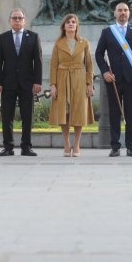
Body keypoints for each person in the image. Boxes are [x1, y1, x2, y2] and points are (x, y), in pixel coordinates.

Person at [95, 2, 132, 157]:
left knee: (130, 114)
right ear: (115, 13)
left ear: (129, 13)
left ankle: (131, 146)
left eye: (125, 10)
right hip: (114, 79)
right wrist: (104, 72)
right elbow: (99, 54)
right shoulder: (107, 32)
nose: (123, 13)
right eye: (120, 10)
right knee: (114, 113)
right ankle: (115, 146)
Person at [0, 9, 42, 157]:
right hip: (8, 83)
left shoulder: (33, 37)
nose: (17, 21)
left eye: (20, 18)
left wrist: (37, 82)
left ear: (24, 20)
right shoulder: (3, 38)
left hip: (27, 83)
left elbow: (38, 62)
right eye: (14, 18)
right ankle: (8, 147)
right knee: (7, 116)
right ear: (10, 21)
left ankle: (26, 147)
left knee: (27, 116)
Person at [49, 14, 95, 157]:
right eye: (68, 22)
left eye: (73, 22)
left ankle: (76, 145)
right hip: (62, 78)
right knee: (64, 111)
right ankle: (67, 143)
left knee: (78, 110)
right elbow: (53, 65)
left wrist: (89, 84)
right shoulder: (58, 42)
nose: (70, 24)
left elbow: (89, 64)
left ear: (77, 26)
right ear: (64, 26)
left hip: (79, 78)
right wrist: (53, 85)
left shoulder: (84, 42)